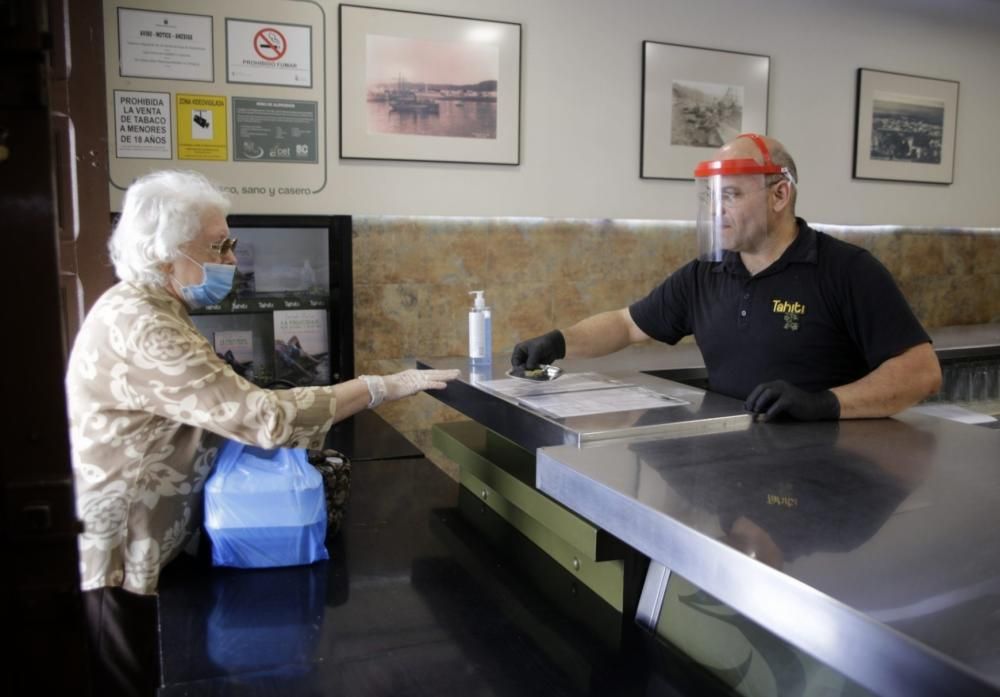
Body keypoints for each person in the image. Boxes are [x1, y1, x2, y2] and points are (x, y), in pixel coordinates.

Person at [65, 170, 459, 696]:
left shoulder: (155, 309)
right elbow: (263, 419)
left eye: (232, 245)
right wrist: (380, 386)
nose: (231, 260)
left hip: (151, 546)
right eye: (218, 246)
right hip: (121, 563)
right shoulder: (142, 325)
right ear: (165, 254)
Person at [512, 133, 941, 421]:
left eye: (731, 195)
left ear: (779, 194)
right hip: (735, 460)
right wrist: (558, 342)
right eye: (712, 197)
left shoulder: (847, 270)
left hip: (829, 467)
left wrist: (824, 403)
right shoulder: (707, 273)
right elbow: (627, 324)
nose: (717, 210)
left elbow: (921, 373)